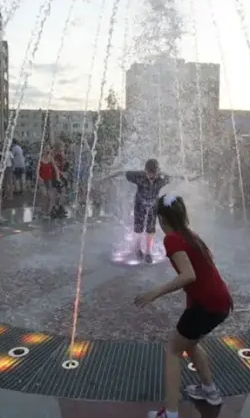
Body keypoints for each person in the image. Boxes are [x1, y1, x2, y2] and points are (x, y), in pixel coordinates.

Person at [135, 194, 232, 418]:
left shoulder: (172, 239)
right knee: (191, 343)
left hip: (206, 305)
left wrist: (154, 293)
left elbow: (189, 275)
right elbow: (203, 273)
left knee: (173, 350)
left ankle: (170, 413)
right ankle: (209, 391)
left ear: (161, 219)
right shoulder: (190, 235)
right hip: (219, 302)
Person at [103, 159, 171, 264]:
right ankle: (138, 248)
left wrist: (189, 178)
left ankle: (148, 252)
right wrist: (107, 177)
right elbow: (122, 173)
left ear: (158, 172)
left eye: (154, 175)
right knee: (138, 227)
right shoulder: (138, 176)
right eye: (149, 174)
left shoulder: (162, 178)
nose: (152, 177)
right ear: (145, 171)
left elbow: (175, 177)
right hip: (140, 204)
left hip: (153, 205)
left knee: (150, 229)